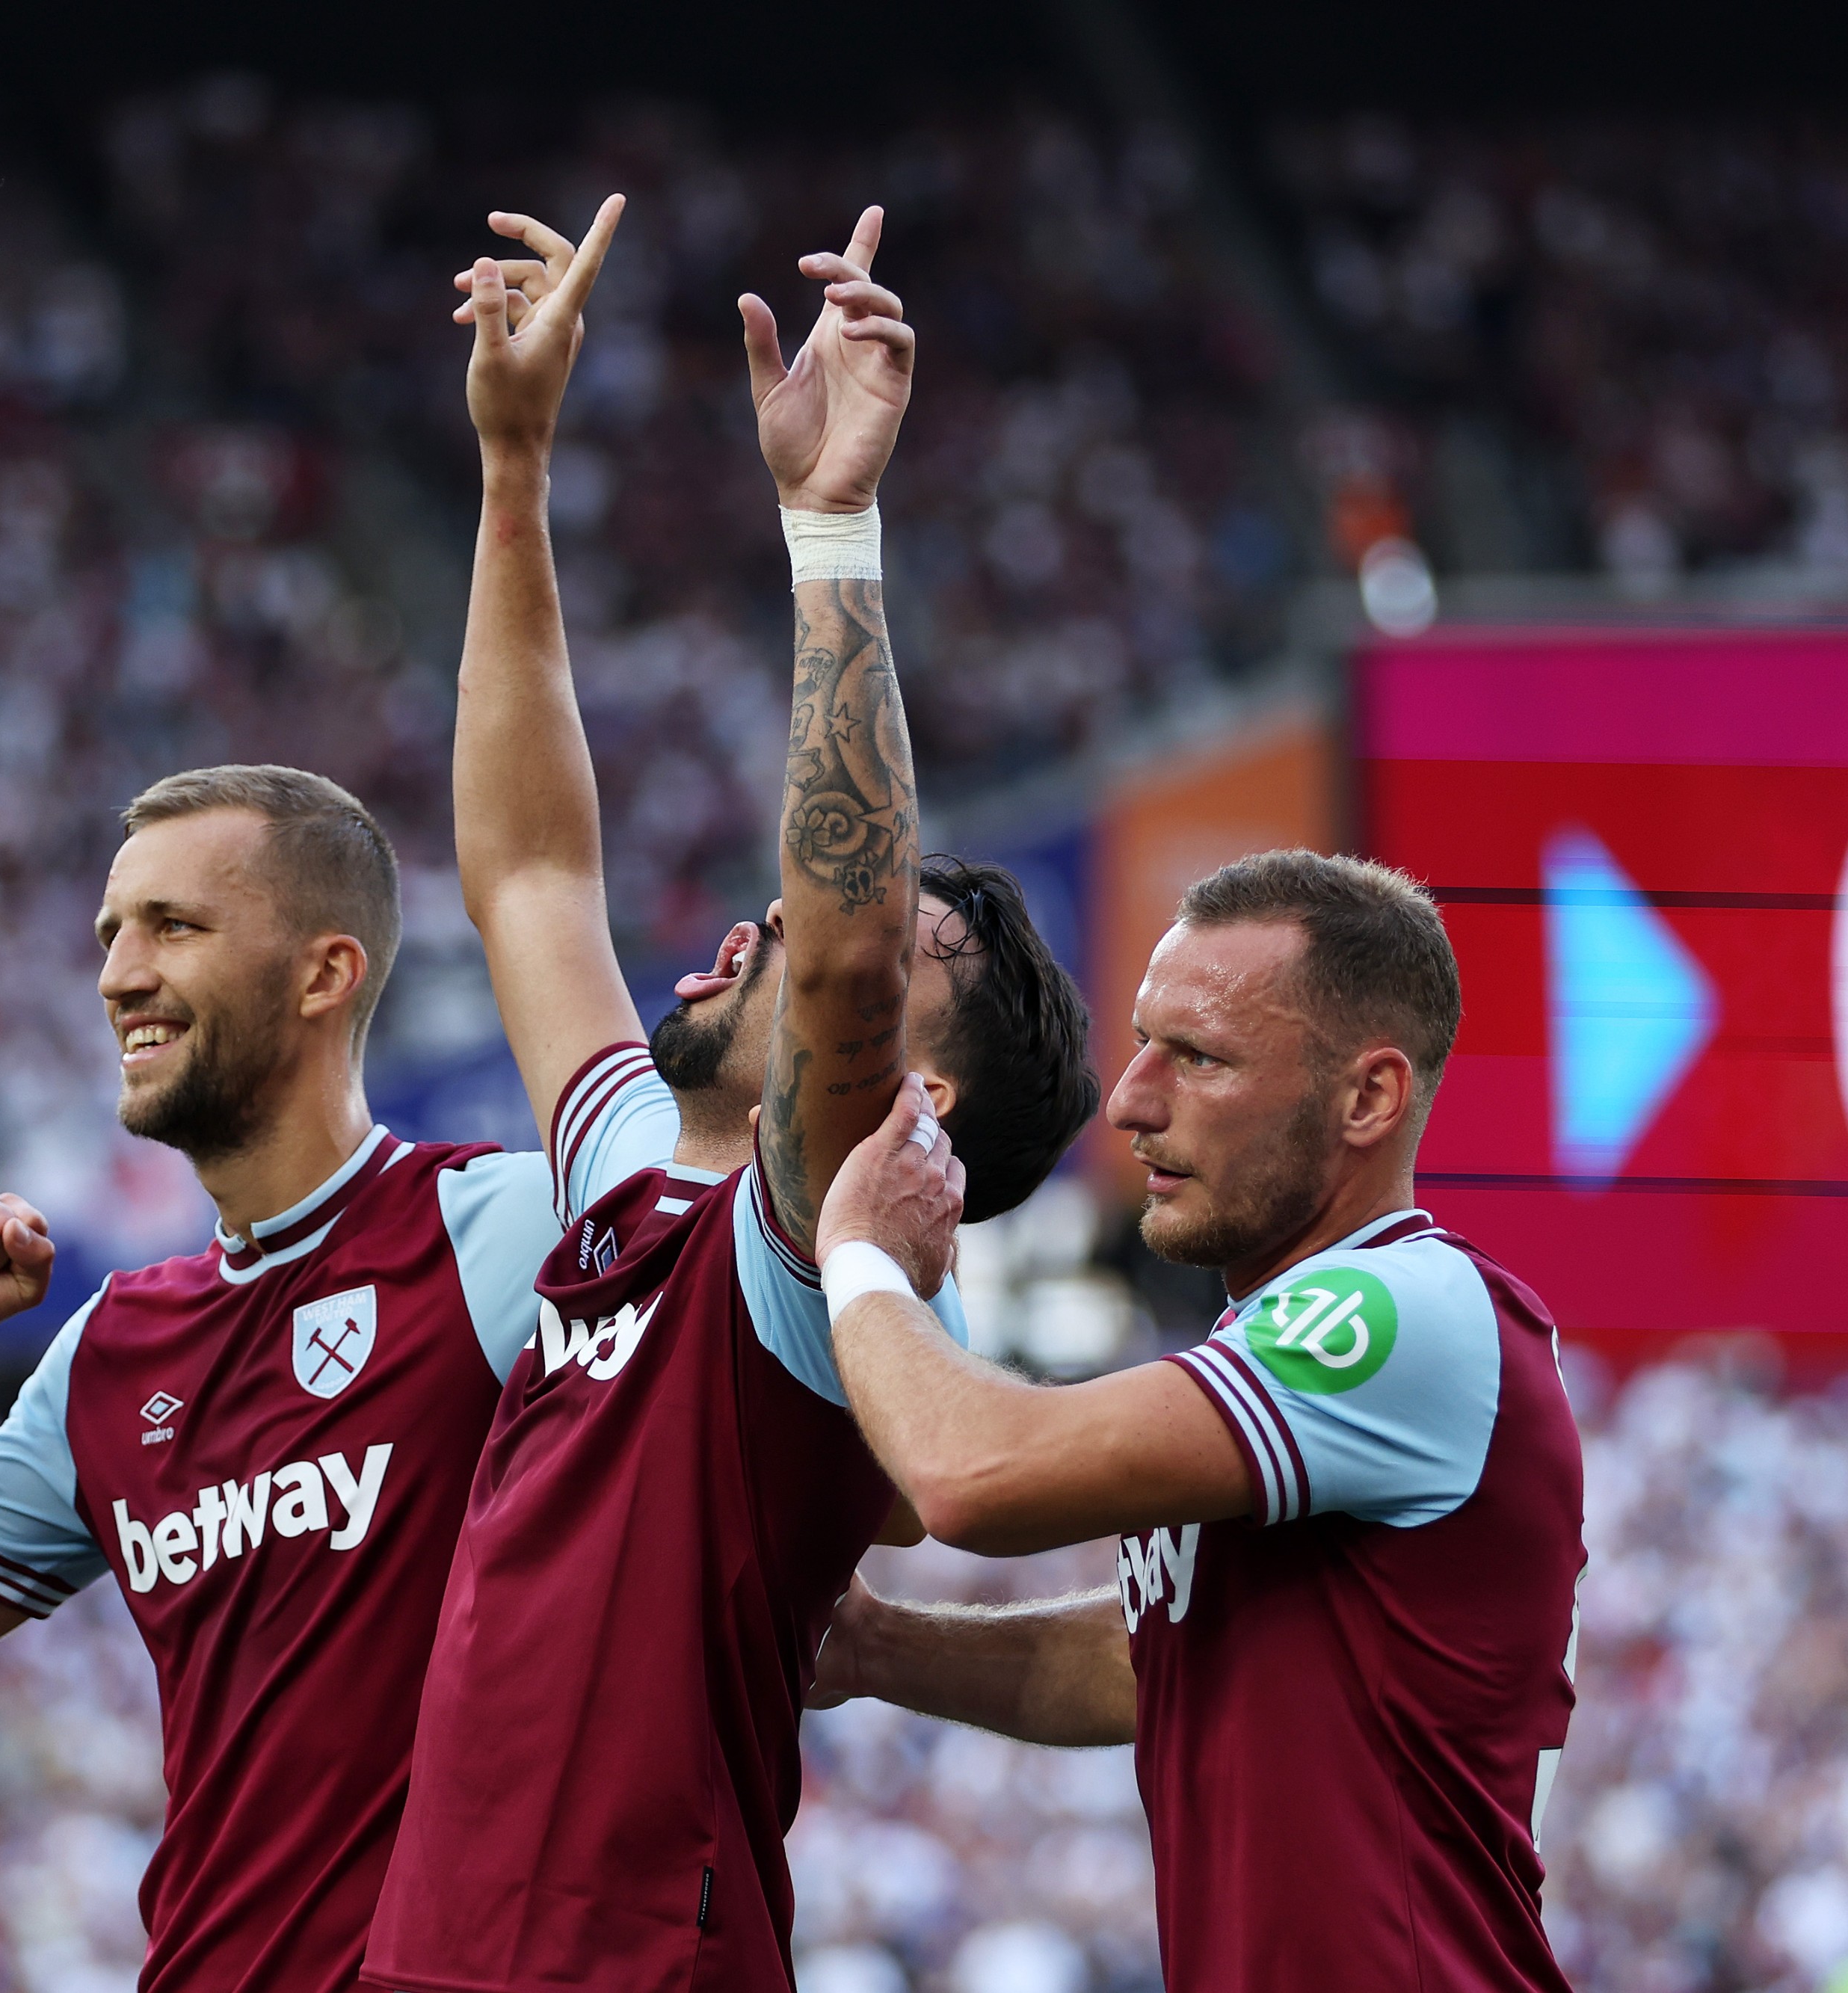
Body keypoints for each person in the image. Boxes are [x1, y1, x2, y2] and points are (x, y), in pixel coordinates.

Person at [361, 203, 1097, 1991]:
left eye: (858, 944)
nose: (760, 919)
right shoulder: (633, 1164)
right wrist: (513, 466)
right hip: (435, 1953)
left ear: (904, 1094)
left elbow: (838, 950)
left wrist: (828, 522)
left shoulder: (807, 1259)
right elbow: (531, 871)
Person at [0, 766, 607, 1990]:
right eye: (113, 933)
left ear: (323, 972)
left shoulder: (507, 1231)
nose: (120, 974)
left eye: (174, 927)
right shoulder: (115, 1353)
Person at [807, 851, 1586, 1993]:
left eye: (1201, 1057)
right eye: (1142, 1041)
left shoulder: (1399, 1305)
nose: (1130, 1098)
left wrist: (860, 1251)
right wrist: (880, 1646)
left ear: (1369, 1096)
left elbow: (970, 1474)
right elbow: (1159, 1658)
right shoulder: (1280, 1352)